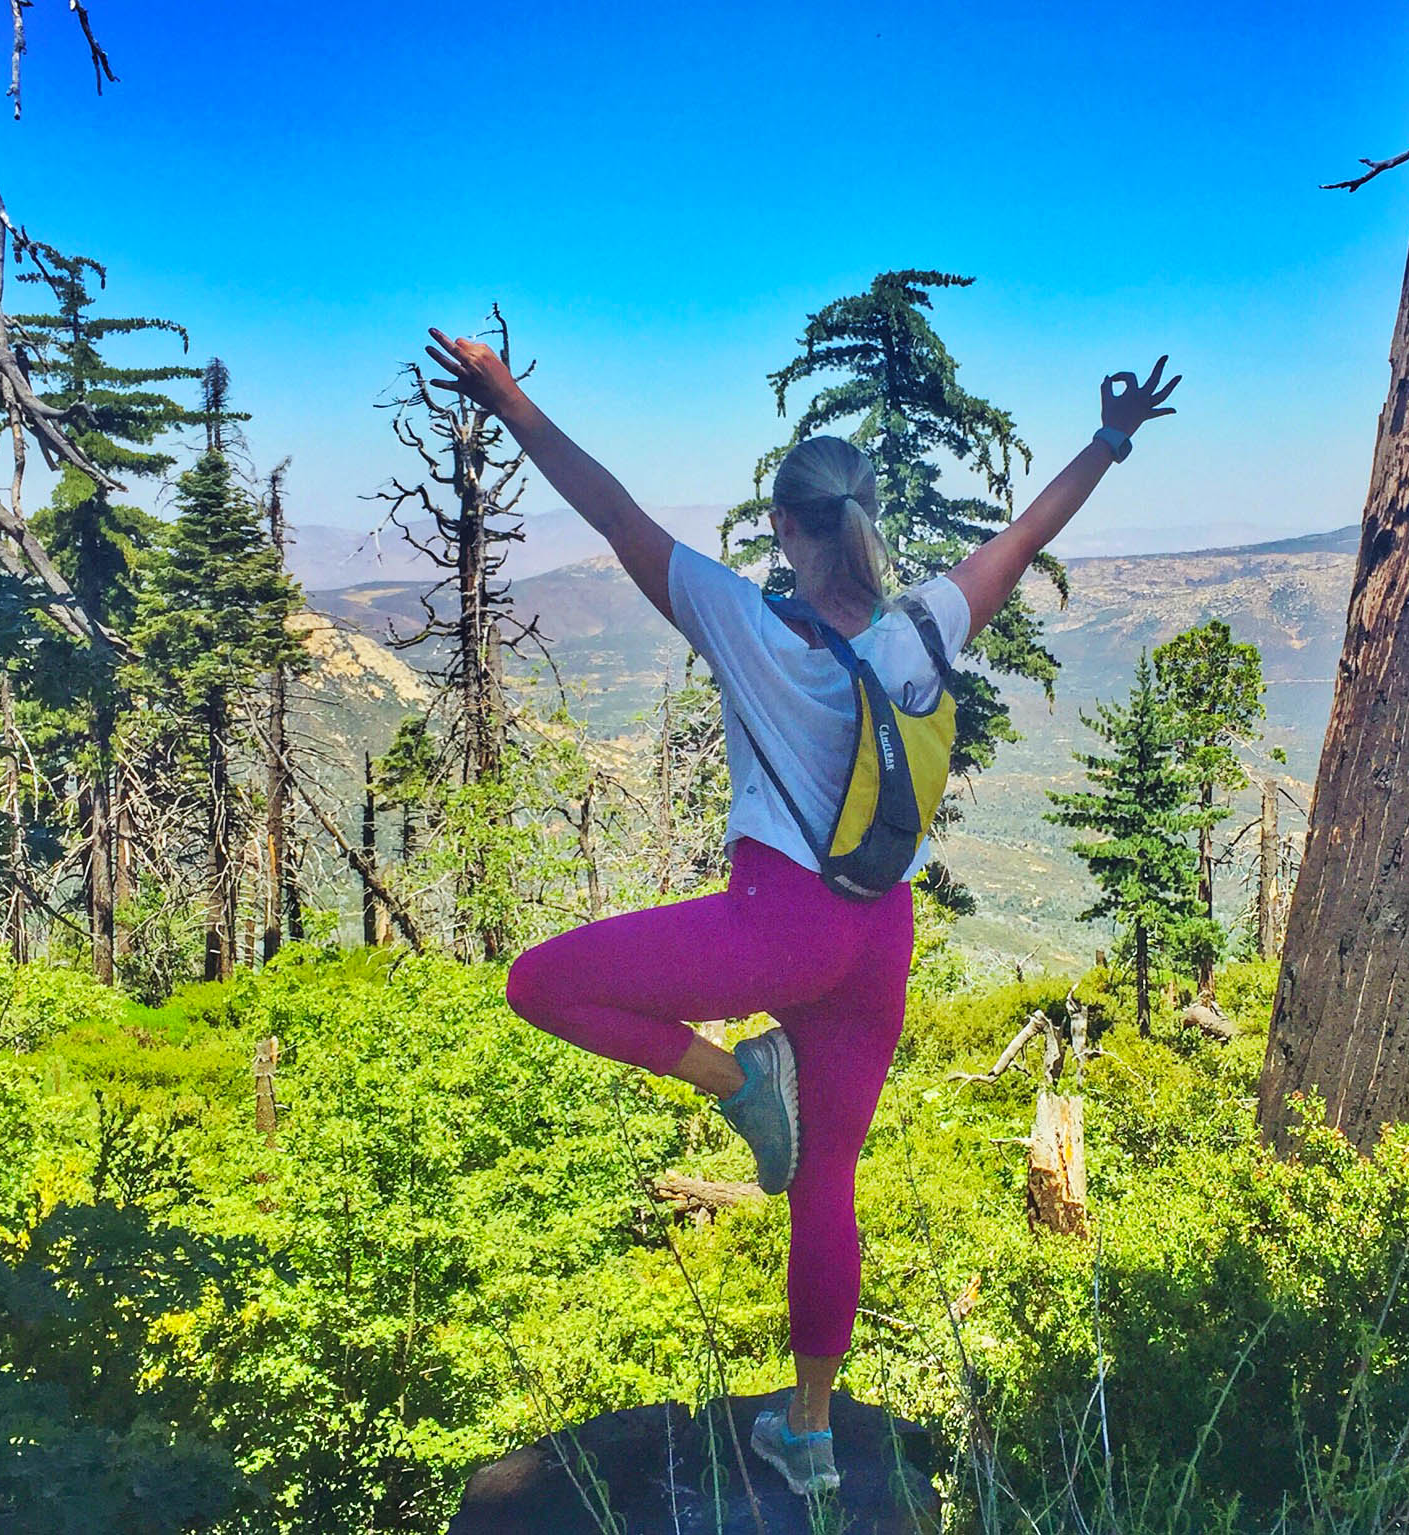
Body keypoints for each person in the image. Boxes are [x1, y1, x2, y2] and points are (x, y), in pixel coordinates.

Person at [424, 325, 1179, 1496]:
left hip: (778, 924)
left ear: (785, 525)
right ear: (869, 514)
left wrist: (508, 398)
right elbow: (1027, 533)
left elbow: (614, 511)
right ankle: (814, 1434)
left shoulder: (746, 623)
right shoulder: (925, 623)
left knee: (542, 982)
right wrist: (1111, 439)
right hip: (880, 932)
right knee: (828, 1181)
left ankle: (736, 1083)